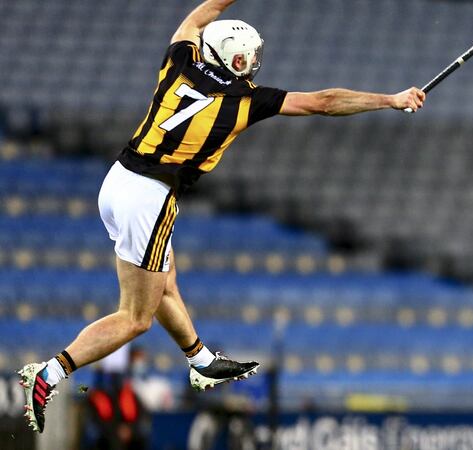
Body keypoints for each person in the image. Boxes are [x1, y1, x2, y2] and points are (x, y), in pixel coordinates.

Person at [18, 0, 425, 433]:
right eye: (250, 57)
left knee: (165, 279)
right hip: (150, 196)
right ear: (236, 58)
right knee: (136, 316)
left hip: (117, 179)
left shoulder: (180, 60)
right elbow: (324, 102)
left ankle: (200, 360)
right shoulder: (246, 99)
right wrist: (390, 99)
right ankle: (51, 372)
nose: (255, 64)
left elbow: (199, 15)